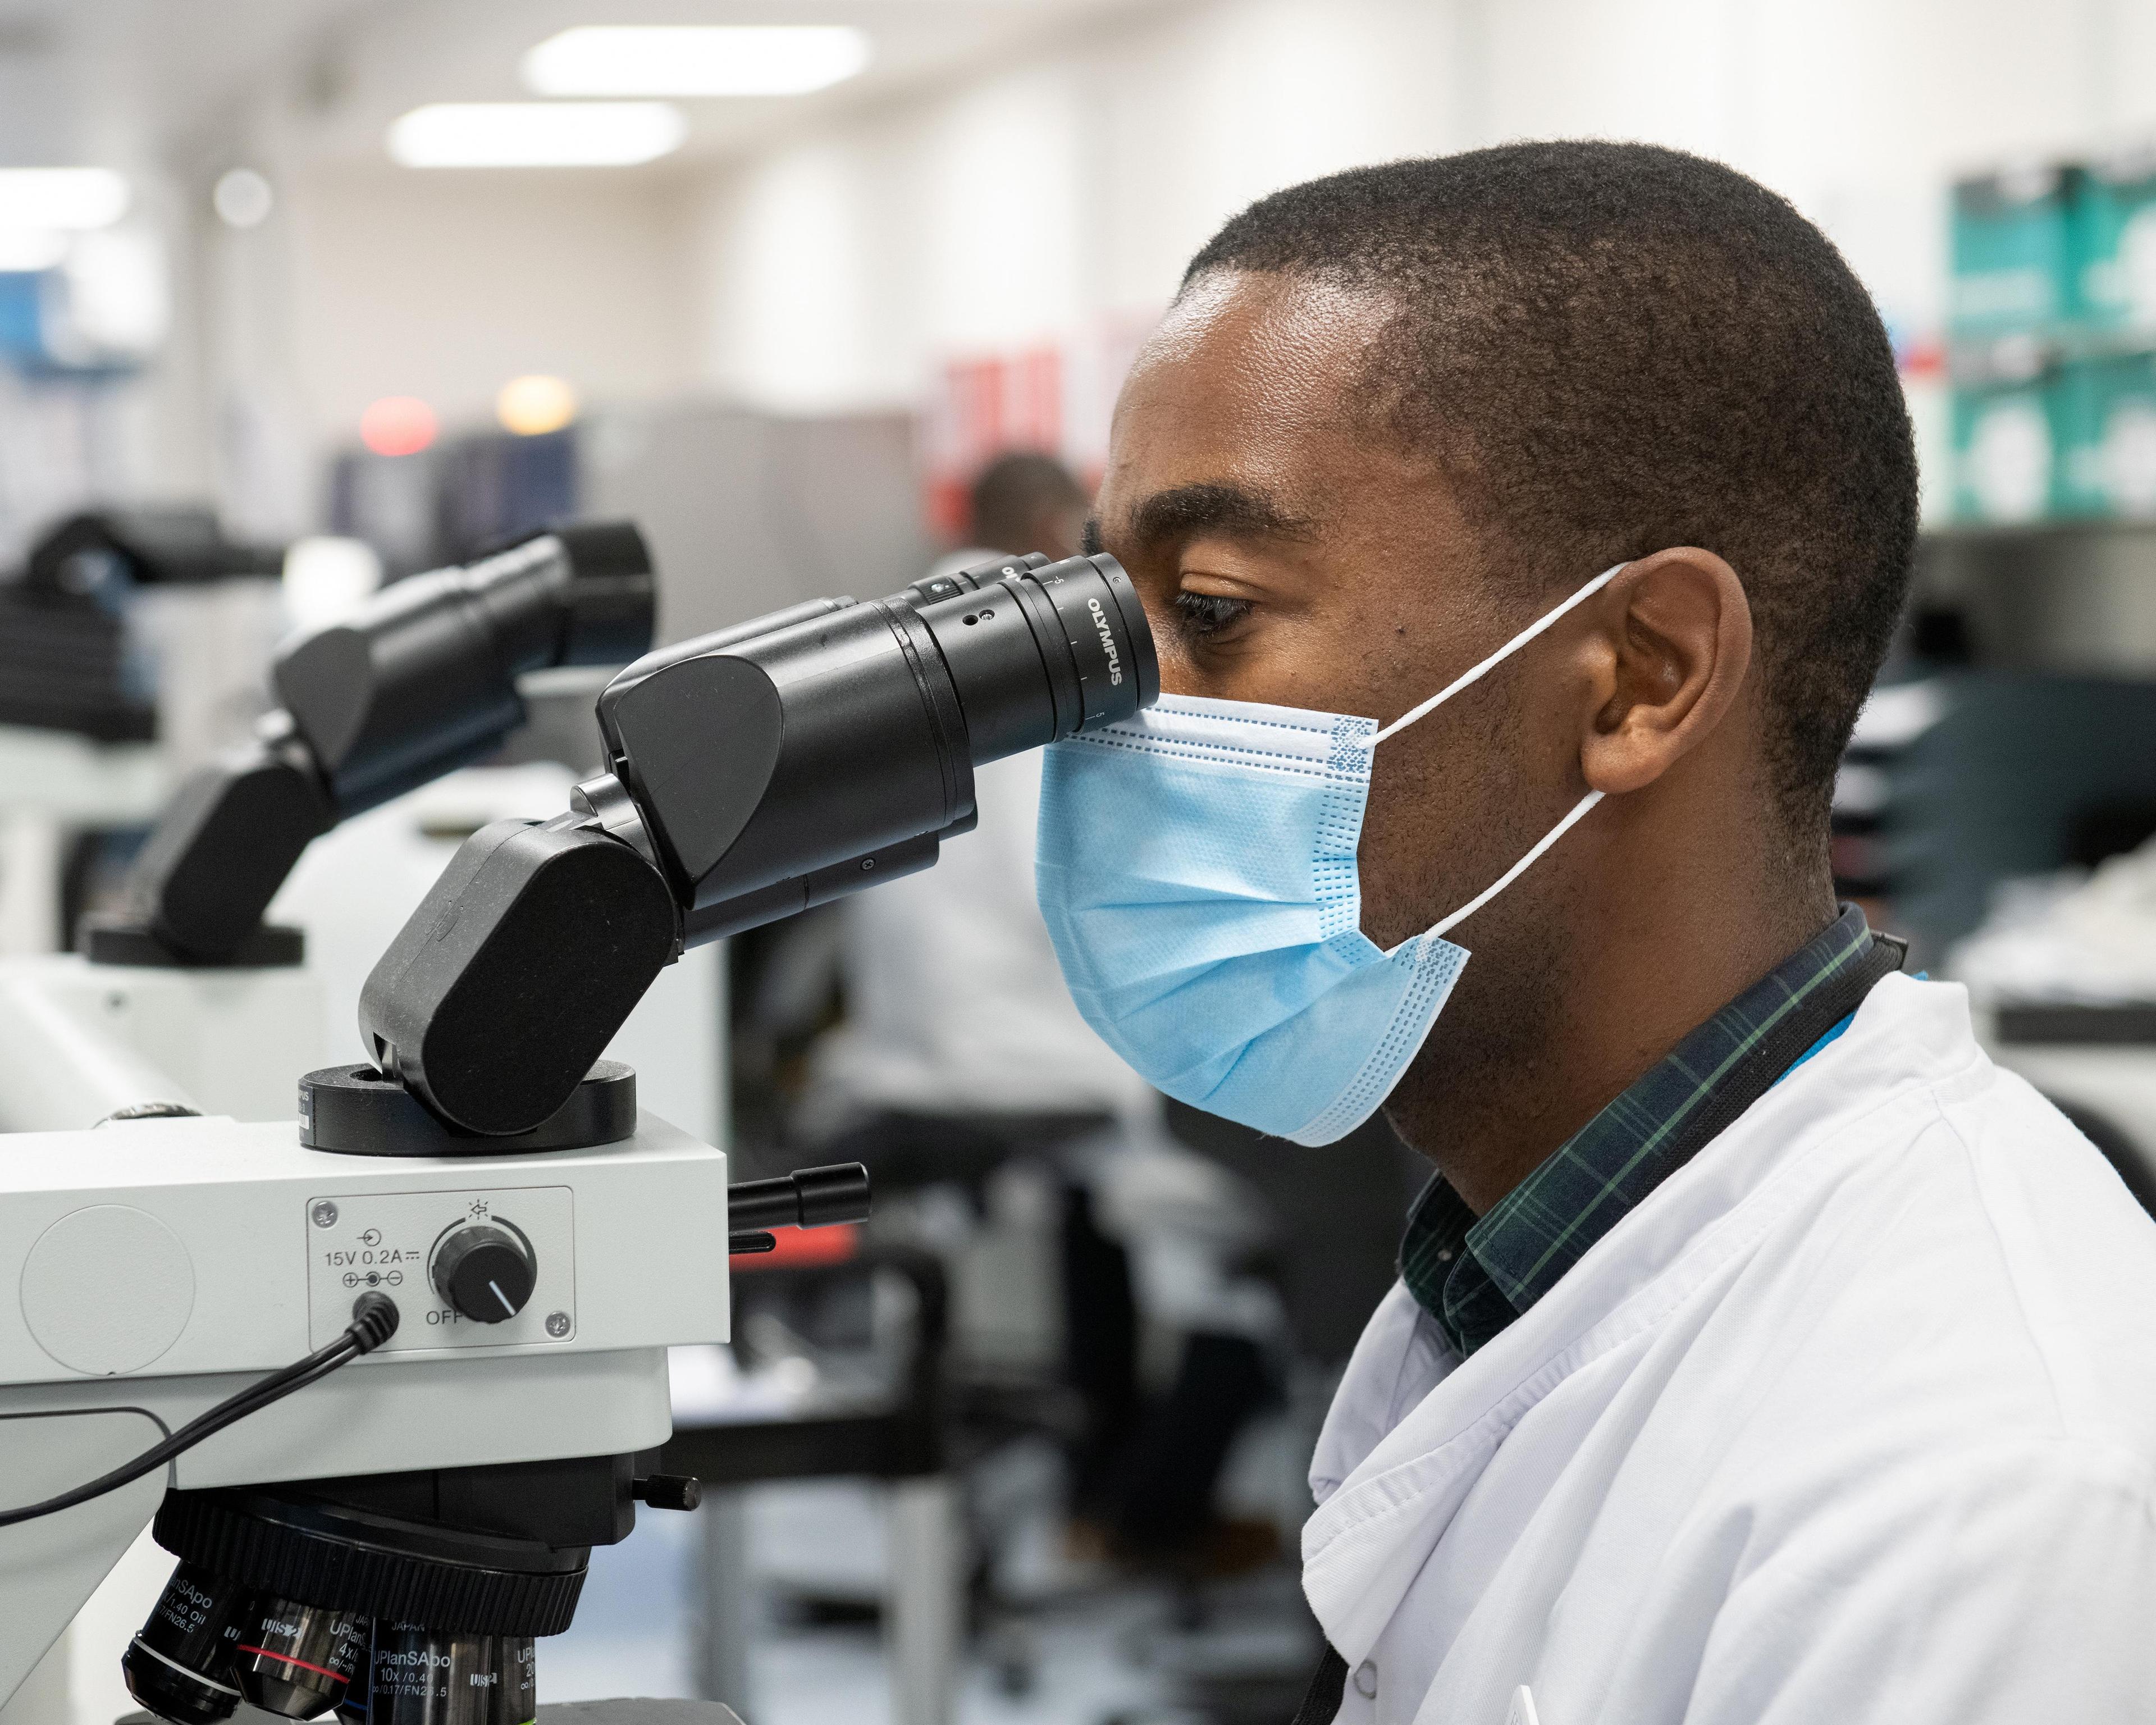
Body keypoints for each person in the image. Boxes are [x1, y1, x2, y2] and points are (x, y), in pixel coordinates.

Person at [1031, 143, 2156, 1721]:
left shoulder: (1969, 1502)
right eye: (1107, 607)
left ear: (1638, 676)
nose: (1115, 706)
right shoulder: (1527, 1253)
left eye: (1210, 611)